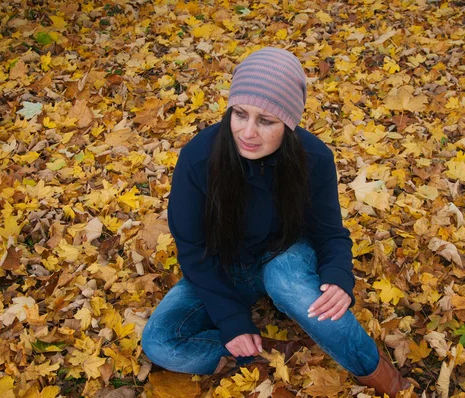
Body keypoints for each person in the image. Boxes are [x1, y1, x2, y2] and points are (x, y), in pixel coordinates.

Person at [142, 47, 411, 397]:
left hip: (283, 256)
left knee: (292, 286)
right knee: (160, 342)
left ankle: (377, 372)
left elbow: (329, 233)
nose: (248, 132)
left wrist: (338, 277)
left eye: (266, 121)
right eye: (239, 114)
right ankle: (270, 355)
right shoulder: (198, 158)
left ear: (289, 120)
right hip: (221, 265)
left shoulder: (313, 159)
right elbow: (193, 250)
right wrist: (232, 322)